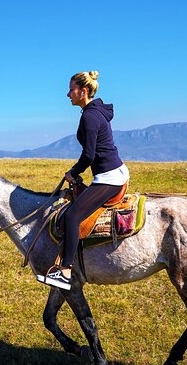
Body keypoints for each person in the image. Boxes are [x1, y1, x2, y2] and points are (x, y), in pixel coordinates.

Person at [37, 71, 129, 290]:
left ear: (83, 91)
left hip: (109, 177)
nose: (68, 94)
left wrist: (73, 172)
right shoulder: (95, 112)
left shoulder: (90, 116)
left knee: (72, 215)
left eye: (71, 89)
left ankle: (65, 271)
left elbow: (89, 154)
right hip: (111, 173)